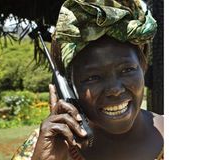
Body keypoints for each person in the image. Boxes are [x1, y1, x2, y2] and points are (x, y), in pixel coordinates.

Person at [12, 0, 163, 159]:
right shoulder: (43, 145)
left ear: (143, 67)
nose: (115, 90)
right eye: (93, 77)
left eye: (127, 70)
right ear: (68, 86)